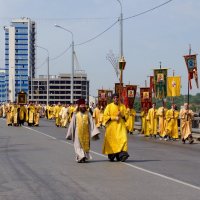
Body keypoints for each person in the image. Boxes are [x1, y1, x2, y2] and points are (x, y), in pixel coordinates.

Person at [66, 99, 100, 163]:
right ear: (79, 106)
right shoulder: (75, 114)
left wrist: (95, 131)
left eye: (83, 105)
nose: (83, 106)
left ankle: (83, 157)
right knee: (78, 145)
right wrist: (70, 133)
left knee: (85, 145)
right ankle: (81, 156)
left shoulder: (88, 113)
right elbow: (72, 124)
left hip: (86, 133)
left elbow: (92, 123)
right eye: (81, 105)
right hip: (77, 133)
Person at [102, 93, 129, 162]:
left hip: (120, 127)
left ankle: (122, 154)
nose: (116, 99)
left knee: (123, 139)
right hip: (112, 128)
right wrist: (114, 118)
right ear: (112, 99)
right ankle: (113, 154)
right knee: (113, 141)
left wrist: (121, 115)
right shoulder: (109, 106)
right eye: (114, 98)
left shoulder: (122, 106)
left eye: (117, 98)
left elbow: (126, 117)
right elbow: (105, 116)